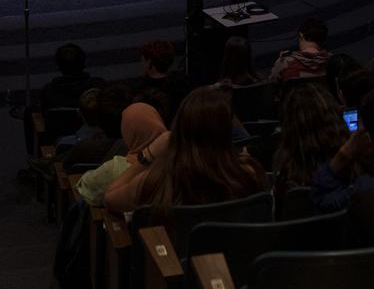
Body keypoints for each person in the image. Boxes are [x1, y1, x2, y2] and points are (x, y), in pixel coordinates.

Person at [104, 87, 264, 214]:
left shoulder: (159, 180)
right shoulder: (248, 173)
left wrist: (148, 154)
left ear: (180, 126)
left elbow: (110, 198)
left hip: (173, 255)